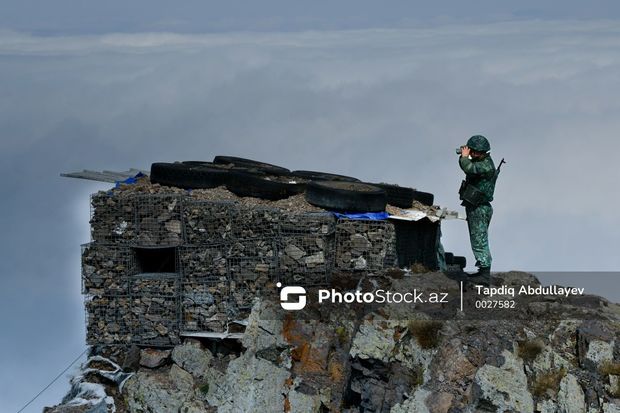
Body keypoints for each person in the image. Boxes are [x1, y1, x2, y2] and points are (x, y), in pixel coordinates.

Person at [458, 135, 496, 277]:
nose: (472, 154)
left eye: (474, 151)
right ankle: (482, 271)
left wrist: (464, 157)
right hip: (476, 207)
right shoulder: (482, 161)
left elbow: (469, 168)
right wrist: (463, 157)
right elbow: (468, 166)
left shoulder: (486, 166)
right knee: (478, 239)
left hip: (480, 208)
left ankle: (484, 274)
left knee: (479, 240)